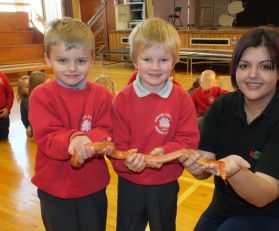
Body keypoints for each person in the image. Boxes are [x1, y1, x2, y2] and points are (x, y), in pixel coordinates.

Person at [180, 27, 279, 231]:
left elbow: (264, 195)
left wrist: (233, 170)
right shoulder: (222, 107)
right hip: (226, 205)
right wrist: (193, 163)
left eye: (265, 66)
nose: (252, 75)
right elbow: (204, 168)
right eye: (244, 65)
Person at [111, 18, 199, 231]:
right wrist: (127, 163)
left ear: (175, 60)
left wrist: (166, 152)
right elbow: (116, 145)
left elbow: (188, 140)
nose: (155, 67)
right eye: (147, 59)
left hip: (165, 184)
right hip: (130, 184)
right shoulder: (121, 99)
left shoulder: (182, 98)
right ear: (134, 60)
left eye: (163, 60)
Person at [29, 17, 113, 231]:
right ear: (48, 59)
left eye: (81, 61)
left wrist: (90, 141)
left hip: (92, 188)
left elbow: (107, 129)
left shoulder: (101, 95)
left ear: (92, 59)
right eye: (63, 60)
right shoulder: (41, 95)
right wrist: (75, 139)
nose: (72, 68)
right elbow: (47, 136)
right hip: (55, 191)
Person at [0, 71, 14, 140]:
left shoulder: (2, 76)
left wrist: (7, 108)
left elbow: (10, 94)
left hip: (2, 112)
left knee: (3, 137)